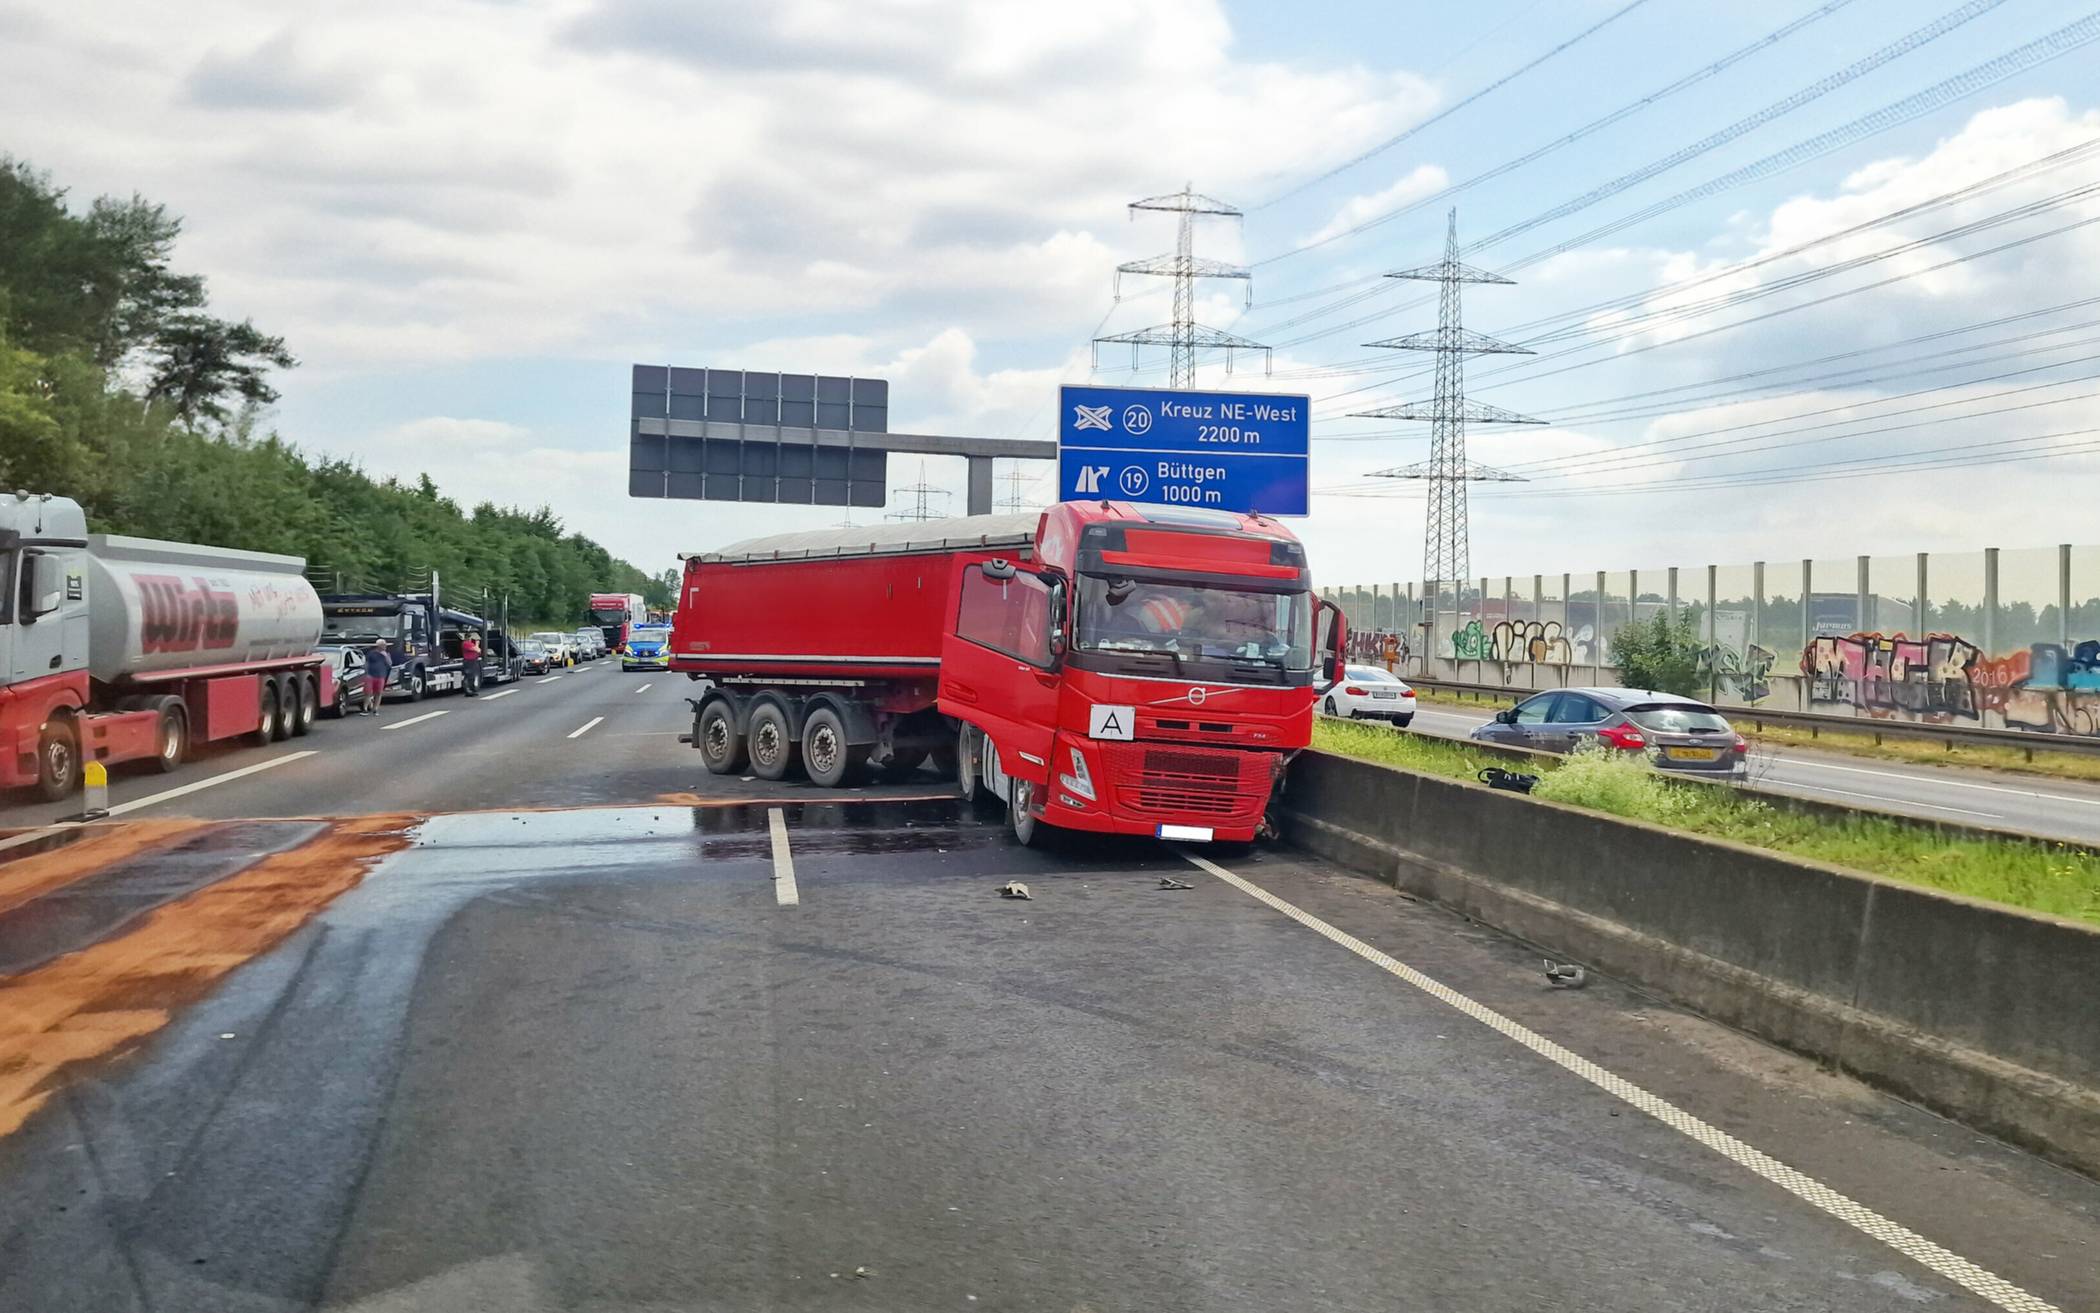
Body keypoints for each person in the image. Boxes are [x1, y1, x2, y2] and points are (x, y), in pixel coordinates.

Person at [362, 640, 393, 715]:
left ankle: (375, 709)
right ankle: (365, 708)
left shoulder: (386, 654)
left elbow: (390, 664)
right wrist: (366, 673)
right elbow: (366, 663)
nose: (385, 646)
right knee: (368, 692)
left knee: (378, 693)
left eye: (385, 645)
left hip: (381, 676)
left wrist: (386, 656)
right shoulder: (371, 653)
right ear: (378, 646)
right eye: (383, 645)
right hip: (370, 675)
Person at [461, 631, 482, 697]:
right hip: (469, 661)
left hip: (473, 661)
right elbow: (477, 650)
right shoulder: (466, 643)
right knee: (469, 676)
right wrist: (477, 644)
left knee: (472, 676)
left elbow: (479, 650)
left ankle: (472, 690)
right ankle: (468, 691)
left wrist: (477, 647)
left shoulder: (470, 644)